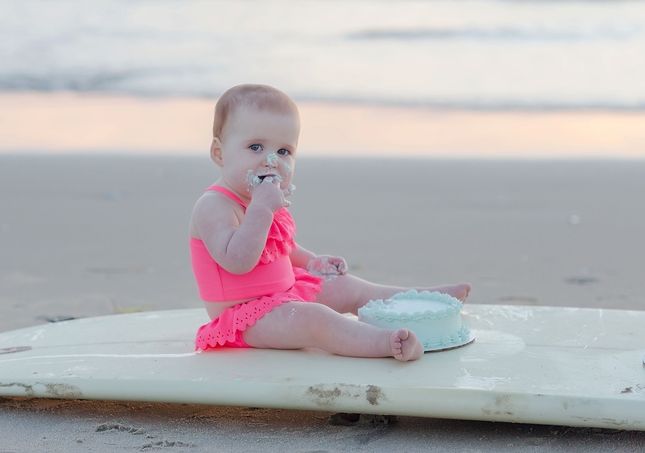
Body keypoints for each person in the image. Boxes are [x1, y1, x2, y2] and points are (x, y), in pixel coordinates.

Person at [189, 84, 471, 361]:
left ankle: (425, 301)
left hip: (282, 294)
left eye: (284, 151)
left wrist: (311, 262)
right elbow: (238, 261)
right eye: (255, 146)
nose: (272, 161)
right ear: (219, 153)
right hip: (245, 318)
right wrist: (261, 209)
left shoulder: (258, 199)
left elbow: (277, 249)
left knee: (344, 286)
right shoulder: (214, 206)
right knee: (315, 320)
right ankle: (385, 342)